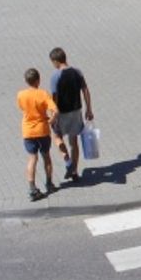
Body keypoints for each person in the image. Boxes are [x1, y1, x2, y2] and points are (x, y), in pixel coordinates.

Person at [48, 47, 94, 183]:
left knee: (56, 136)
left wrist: (52, 115)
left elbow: (53, 98)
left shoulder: (55, 76)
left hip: (62, 113)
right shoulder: (77, 72)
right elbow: (85, 90)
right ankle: (74, 172)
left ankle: (67, 161)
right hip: (76, 111)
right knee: (74, 142)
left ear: (56, 61)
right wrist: (89, 109)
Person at [17, 67, 58, 201]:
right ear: (38, 81)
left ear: (26, 81)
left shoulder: (21, 95)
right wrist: (51, 120)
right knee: (46, 156)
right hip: (42, 129)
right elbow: (55, 110)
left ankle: (32, 188)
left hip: (28, 130)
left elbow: (22, 108)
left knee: (32, 158)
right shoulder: (43, 94)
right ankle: (49, 183)